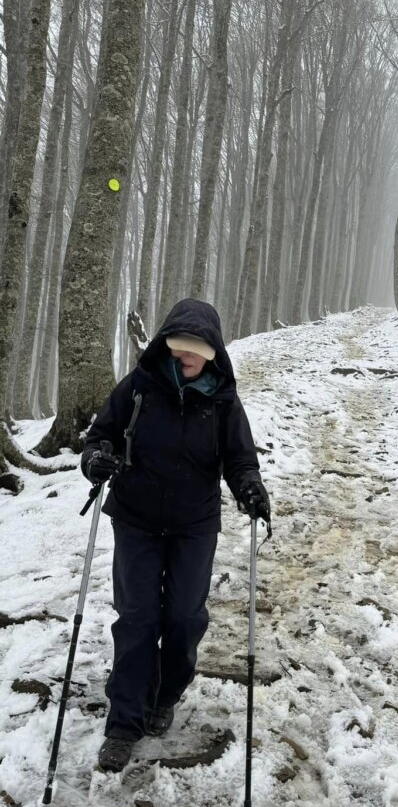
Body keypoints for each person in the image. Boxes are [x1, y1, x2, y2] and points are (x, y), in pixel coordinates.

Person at [81, 298, 270, 773]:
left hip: (194, 524)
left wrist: (249, 485)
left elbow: (239, 457)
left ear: (211, 353)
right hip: (137, 518)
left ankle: (165, 694)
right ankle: (124, 721)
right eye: (177, 346)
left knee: (184, 617)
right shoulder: (140, 387)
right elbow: (99, 436)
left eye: (194, 349)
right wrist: (96, 460)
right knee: (138, 618)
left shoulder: (223, 400)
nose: (183, 356)